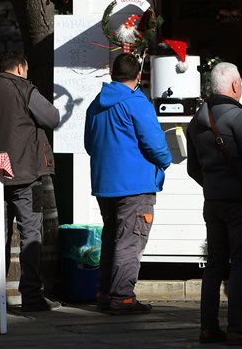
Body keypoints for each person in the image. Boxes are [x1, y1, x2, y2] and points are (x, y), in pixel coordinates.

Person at [186, 62, 242, 345]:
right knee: (240, 263)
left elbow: (192, 169)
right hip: (238, 202)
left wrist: (213, 185)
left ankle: (208, 327)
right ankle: (237, 327)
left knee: (214, 264)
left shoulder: (197, 121)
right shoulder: (238, 119)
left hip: (212, 201)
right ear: (236, 86)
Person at [0, 50, 61, 312]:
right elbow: (52, 118)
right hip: (26, 176)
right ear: (21, 67)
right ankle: (31, 296)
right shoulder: (25, 90)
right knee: (31, 232)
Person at [84, 53, 172, 315]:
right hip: (135, 184)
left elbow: (90, 145)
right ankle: (122, 297)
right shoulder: (137, 102)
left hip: (105, 183)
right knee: (130, 242)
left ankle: (104, 293)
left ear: (112, 74)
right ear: (137, 77)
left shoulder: (95, 105)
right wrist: (165, 161)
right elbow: (156, 145)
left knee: (112, 239)